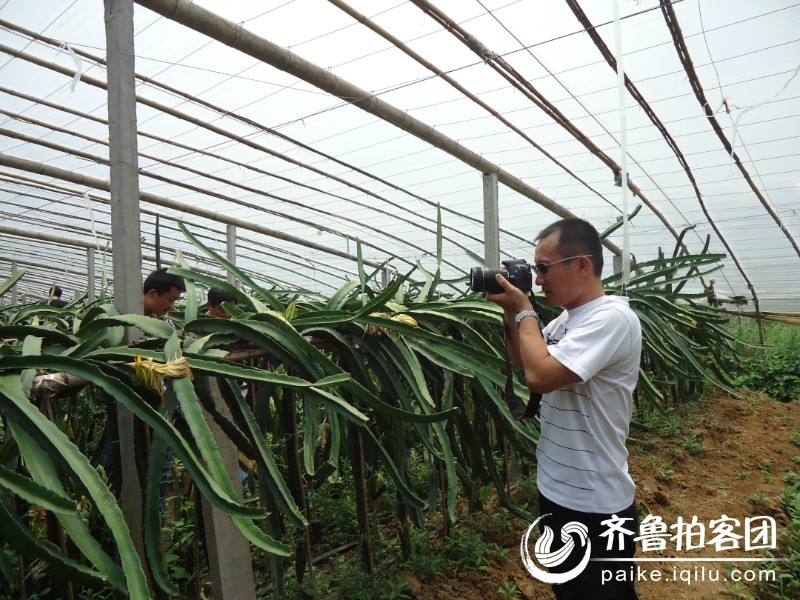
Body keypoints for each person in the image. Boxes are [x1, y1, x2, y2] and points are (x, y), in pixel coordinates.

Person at [486, 218, 642, 599]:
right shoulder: (567, 320)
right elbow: (525, 363)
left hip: (594, 507)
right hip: (558, 491)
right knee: (568, 590)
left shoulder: (612, 319)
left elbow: (538, 378)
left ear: (583, 265)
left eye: (544, 268)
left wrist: (524, 311)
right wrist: (511, 312)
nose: (538, 280)